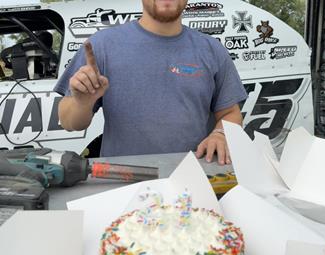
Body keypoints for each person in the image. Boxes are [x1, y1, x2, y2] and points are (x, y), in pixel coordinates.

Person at [55, 0, 247, 165]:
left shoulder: (212, 50)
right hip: (122, 182)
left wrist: (220, 134)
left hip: (193, 179)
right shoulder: (102, 46)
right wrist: (82, 103)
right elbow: (68, 122)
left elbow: (231, 113)